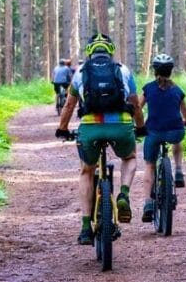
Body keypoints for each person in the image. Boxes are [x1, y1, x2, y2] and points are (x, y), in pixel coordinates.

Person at [56, 33, 146, 245]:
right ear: (110, 50)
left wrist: (62, 128)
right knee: (130, 157)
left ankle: (86, 227)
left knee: (86, 171)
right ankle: (123, 194)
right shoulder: (123, 70)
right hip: (121, 126)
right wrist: (141, 127)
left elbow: (69, 105)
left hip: (91, 128)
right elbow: (134, 102)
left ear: (89, 52)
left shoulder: (80, 72)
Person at [139, 54, 186, 223]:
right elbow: (185, 114)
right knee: (177, 138)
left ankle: (148, 203)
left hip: (153, 132)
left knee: (149, 164)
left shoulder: (148, 89)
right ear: (171, 71)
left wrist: (138, 126)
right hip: (175, 132)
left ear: (154, 70)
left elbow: (138, 109)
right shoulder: (178, 90)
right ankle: (178, 170)